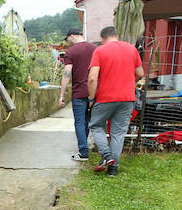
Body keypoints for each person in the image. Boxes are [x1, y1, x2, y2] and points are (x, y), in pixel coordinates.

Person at [87, 26, 144, 177]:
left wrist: (91, 98)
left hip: (105, 97)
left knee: (96, 125)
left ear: (102, 38)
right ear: (117, 36)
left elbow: (92, 78)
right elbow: (140, 73)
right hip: (127, 98)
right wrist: (129, 82)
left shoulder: (100, 51)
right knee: (118, 133)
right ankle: (113, 170)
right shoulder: (132, 49)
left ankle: (107, 156)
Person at [58, 28, 96, 161]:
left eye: (67, 39)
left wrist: (61, 94)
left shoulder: (71, 52)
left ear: (72, 36)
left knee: (80, 122)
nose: (67, 42)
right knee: (91, 121)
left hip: (79, 93)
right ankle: (88, 145)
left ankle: (83, 152)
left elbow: (67, 73)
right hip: (94, 92)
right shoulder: (95, 48)